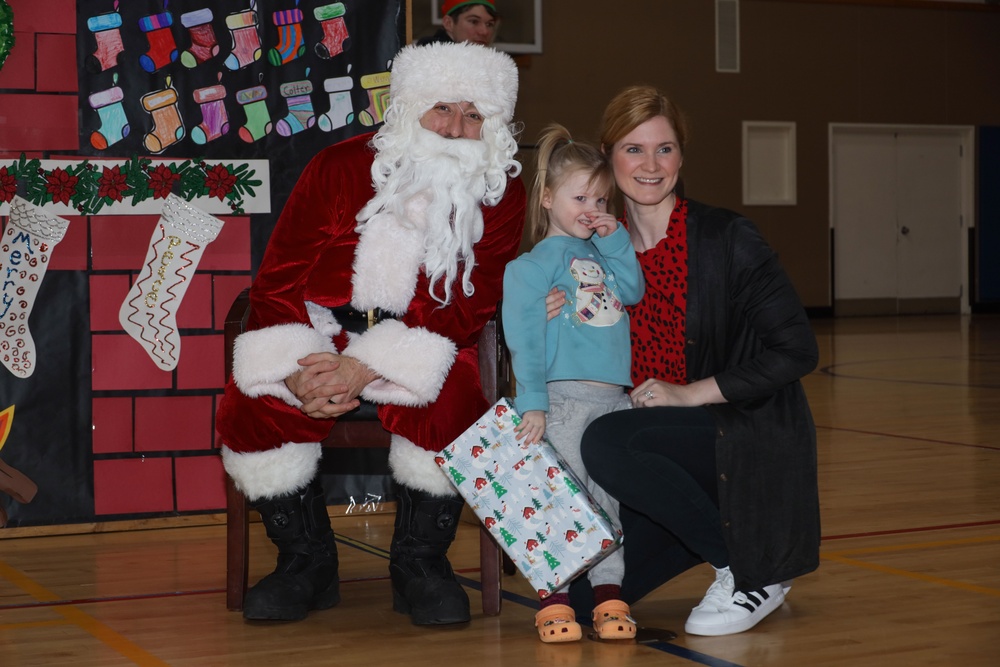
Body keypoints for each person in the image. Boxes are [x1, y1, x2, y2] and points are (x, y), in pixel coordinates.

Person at [214, 41, 526, 627]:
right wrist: (300, 364)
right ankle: (306, 563)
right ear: (410, 107)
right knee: (250, 406)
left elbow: (475, 300)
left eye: (474, 114)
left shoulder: (499, 192)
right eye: (442, 109)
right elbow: (279, 276)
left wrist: (372, 362)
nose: (457, 129)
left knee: (451, 404)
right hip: (320, 333)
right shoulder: (337, 166)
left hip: (430, 337)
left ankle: (420, 565)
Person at [555, 85, 820, 637]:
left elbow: (797, 350)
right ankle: (707, 534)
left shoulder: (727, 238)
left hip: (736, 431)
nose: (651, 165)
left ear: (681, 155)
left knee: (608, 440)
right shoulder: (593, 248)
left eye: (665, 149)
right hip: (651, 450)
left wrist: (690, 392)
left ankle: (750, 568)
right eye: (633, 149)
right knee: (586, 605)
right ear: (608, 156)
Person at [501, 125, 644, 643]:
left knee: (607, 503)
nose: (591, 207)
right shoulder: (530, 267)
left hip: (612, 401)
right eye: (579, 196)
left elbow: (632, 290)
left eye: (600, 198)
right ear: (546, 198)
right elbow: (524, 342)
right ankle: (554, 600)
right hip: (560, 402)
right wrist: (532, 404)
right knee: (558, 500)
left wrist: (616, 237)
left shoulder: (605, 256)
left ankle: (609, 596)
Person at [417, 0, 498, 47]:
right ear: (448, 23)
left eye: (489, 24)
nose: (484, 32)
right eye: (474, 21)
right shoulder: (428, 58)